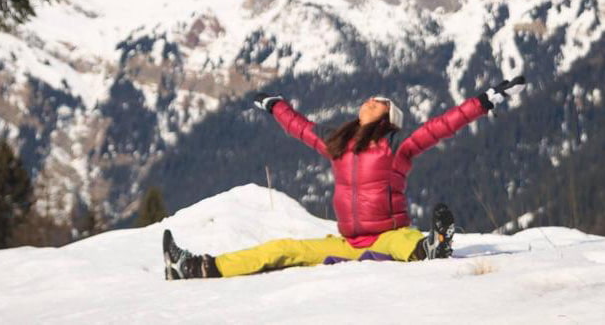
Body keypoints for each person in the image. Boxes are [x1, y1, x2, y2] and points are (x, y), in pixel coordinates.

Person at [162, 76, 527, 279]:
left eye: (379, 101)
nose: (370, 99)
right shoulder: (338, 145)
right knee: (281, 249)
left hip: (390, 236)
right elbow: (300, 127)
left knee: (405, 244)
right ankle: (194, 266)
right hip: (347, 242)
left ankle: (432, 248)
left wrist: (483, 102)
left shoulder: (397, 146)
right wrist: (275, 105)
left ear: (389, 118)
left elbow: (441, 125)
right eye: (370, 96)